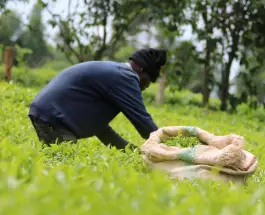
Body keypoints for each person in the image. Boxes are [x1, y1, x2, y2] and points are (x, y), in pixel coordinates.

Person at [28, 48, 167, 150]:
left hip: (47, 113)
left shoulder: (116, 75)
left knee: (58, 165)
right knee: (64, 170)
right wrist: (170, 148)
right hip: (54, 118)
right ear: (142, 71)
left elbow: (102, 131)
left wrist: (135, 153)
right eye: (148, 81)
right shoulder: (126, 77)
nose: (146, 87)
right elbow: (143, 122)